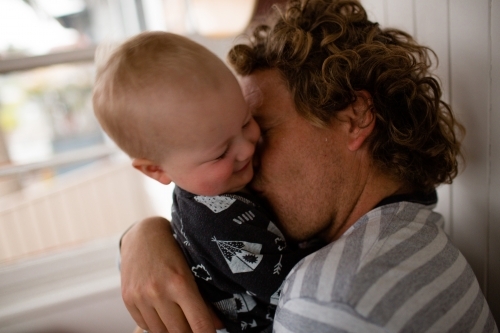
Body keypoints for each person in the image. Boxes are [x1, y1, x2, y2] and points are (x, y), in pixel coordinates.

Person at [119, 0, 499, 332]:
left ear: (354, 118)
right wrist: (146, 234)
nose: (245, 163)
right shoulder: (413, 235)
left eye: (261, 130)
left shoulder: (326, 301)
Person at [92, 31, 320, 333]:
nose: (246, 148)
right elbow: (288, 285)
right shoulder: (213, 221)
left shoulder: (220, 182)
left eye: (246, 121)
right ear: (156, 170)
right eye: (221, 152)